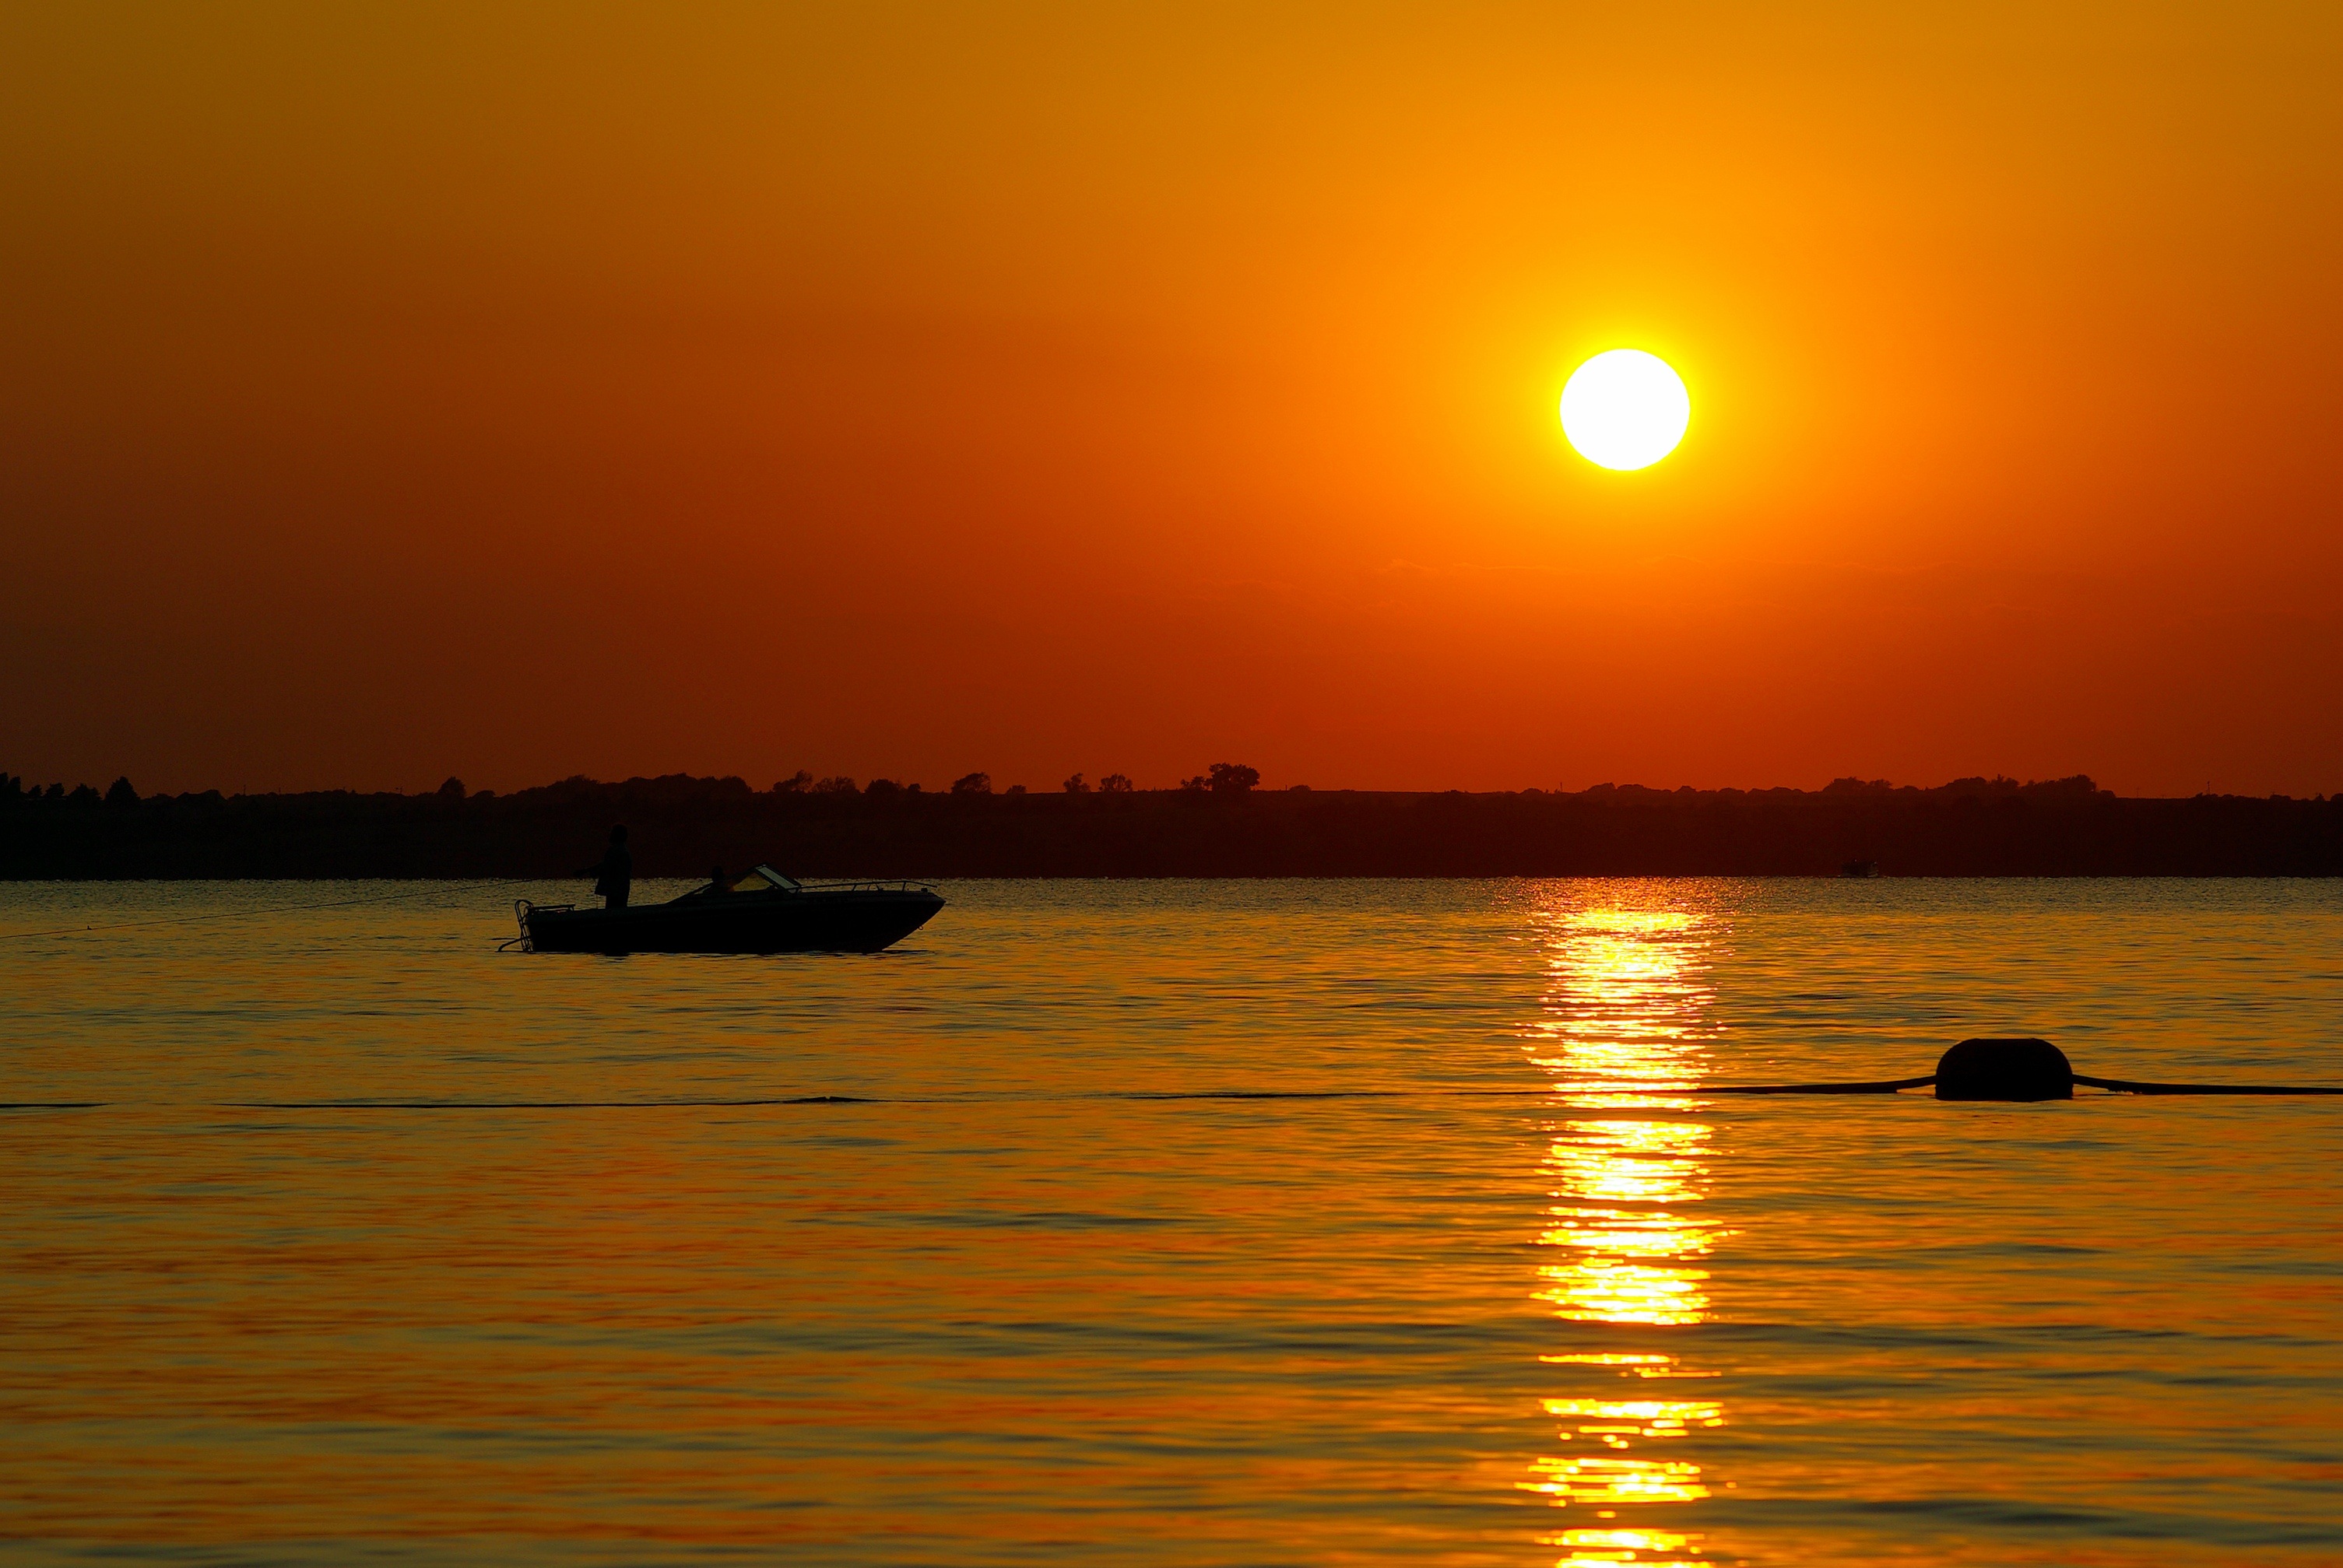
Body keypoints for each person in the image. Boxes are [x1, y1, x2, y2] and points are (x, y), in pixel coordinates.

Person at [578, 826, 632, 910]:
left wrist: (594, 872)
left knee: (613, 909)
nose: (609, 835)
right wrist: (586, 871)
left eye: (611, 833)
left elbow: (608, 867)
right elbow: (605, 864)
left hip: (616, 889)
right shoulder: (622, 850)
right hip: (620, 889)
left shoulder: (616, 851)